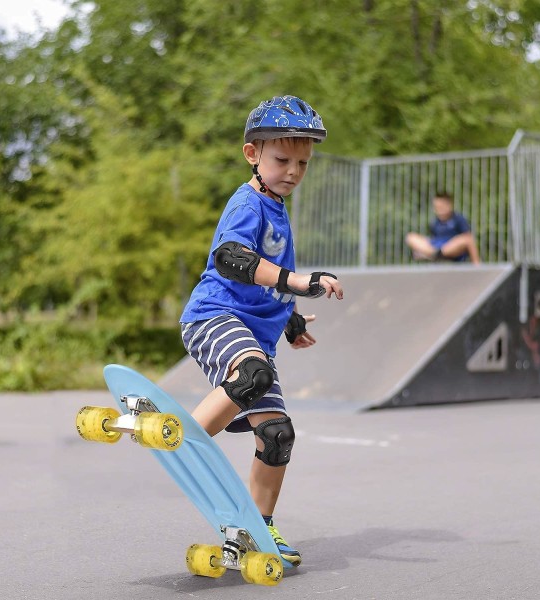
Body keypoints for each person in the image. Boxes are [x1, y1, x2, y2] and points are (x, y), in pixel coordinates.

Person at [180, 95, 344, 566]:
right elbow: (231, 260)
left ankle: (255, 528)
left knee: (277, 434)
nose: (292, 171)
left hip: (251, 325)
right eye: (281, 159)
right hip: (213, 317)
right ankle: (187, 439)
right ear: (252, 154)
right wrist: (299, 282)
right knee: (254, 372)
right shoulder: (247, 203)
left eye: (302, 163)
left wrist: (289, 321)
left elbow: (269, 282)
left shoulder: (277, 209)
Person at [405, 192, 481, 264]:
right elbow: (432, 239)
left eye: (441, 207)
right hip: (436, 247)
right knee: (410, 237)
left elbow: (467, 239)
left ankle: (430, 255)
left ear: (449, 205)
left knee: (467, 239)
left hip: (450, 248)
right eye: (436, 207)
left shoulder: (458, 219)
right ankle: (432, 254)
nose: (438, 210)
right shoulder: (435, 222)